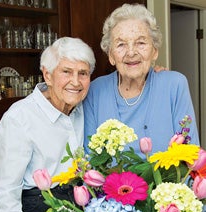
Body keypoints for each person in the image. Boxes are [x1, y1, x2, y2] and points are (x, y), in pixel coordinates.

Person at [0, 37, 96, 212]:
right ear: (47, 75)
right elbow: (5, 193)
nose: (75, 81)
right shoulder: (19, 118)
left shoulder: (81, 108)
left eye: (83, 73)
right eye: (66, 72)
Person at [83, 3, 199, 155]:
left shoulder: (174, 85)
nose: (131, 52)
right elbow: (89, 160)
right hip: (109, 180)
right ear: (111, 56)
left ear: (155, 51)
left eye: (141, 43)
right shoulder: (95, 91)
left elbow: (191, 154)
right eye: (121, 44)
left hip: (167, 179)